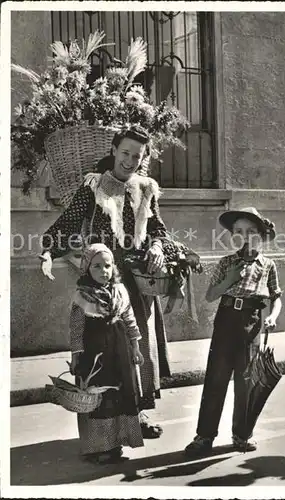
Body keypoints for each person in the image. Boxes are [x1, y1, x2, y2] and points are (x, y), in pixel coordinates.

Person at [40, 125, 170, 438]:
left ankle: (135, 417)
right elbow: (69, 222)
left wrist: (155, 246)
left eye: (137, 155)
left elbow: (160, 230)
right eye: (125, 152)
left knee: (135, 349)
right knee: (102, 352)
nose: (130, 160)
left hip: (136, 285)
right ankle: (102, 434)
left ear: (143, 158)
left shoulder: (146, 190)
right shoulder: (94, 186)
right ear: (113, 150)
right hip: (102, 281)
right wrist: (47, 250)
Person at [185, 207, 283, 456]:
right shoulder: (226, 262)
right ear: (232, 236)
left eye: (251, 231)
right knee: (216, 378)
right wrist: (229, 279)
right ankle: (204, 436)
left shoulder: (267, 265)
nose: (246, 236)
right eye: (239, 231)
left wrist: (272, 316)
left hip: (252, 322)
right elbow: (209, 296)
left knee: (246, 380)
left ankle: (242, 434)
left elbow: (276, 297)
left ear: (260, 235)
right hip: (226, 320)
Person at [68, 243, 144, 463]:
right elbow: (76, 330)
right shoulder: (82, 296)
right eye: (97, 266)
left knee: (120, 394)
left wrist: (136, 347)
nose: (103, 271)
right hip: (95, 355)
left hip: (120, 351)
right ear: (86, 269)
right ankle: (99, 447)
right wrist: (76, 357)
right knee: (98, 396)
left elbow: (130, 319)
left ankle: (117, 443)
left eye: (107, 266)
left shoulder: (120, 291)